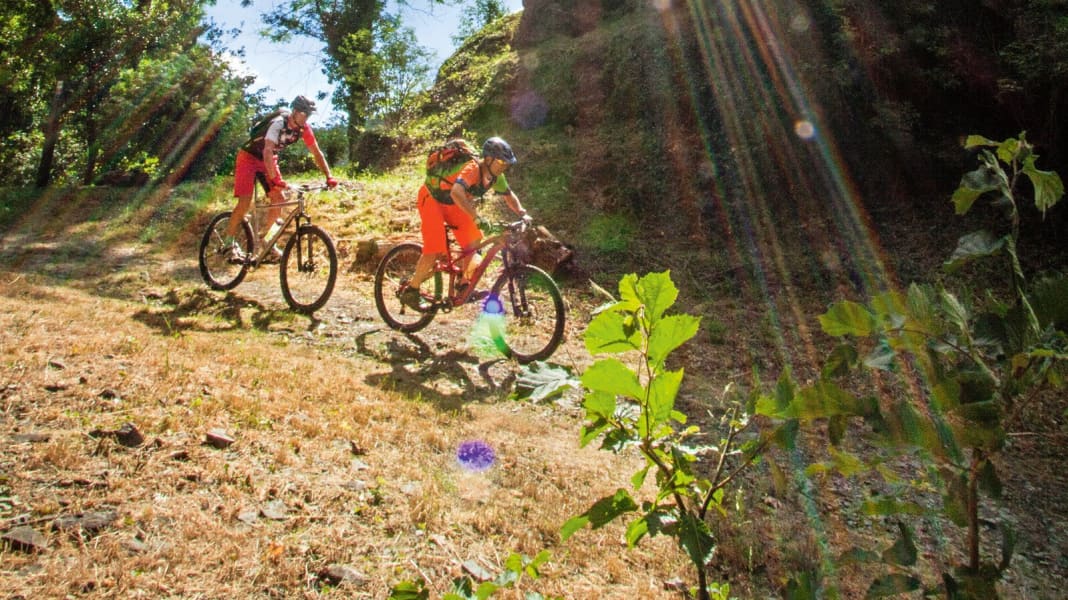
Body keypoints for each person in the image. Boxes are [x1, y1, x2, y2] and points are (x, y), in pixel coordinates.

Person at [400, 136, 529, 309]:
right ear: (489, 159)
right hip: (432, 198)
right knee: (434, 248)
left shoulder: (496, 177)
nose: (504, 166)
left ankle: (463, 285)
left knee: (474, 240)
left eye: (506, 163)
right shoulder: (472, 169)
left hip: (453, 204)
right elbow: (457, 192)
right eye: (501, 162)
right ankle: (412, 290)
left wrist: (522, 213)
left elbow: (508, 195)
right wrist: (476, 217)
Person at [223, 95, 338, 260]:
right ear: (296, 112)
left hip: (267, 160)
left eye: (309, 115)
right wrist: (274, 179)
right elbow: (267, 150)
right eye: (305, 114)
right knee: (245, 202)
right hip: (249, 157)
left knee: (280, 199)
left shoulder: (304, 129)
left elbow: (316, 152)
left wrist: (329, 176)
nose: (307, 118)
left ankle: (267, 243)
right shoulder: (278, 123)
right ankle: (229, 243)